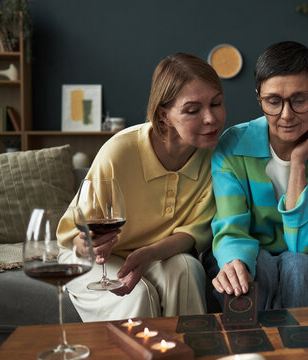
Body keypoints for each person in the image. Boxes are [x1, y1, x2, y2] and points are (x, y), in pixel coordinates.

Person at [57, 53, 226, 321]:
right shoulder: (120, 151)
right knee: (137, 295)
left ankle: (190, 349)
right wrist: (88, 244)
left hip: (157, 255)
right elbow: (75, 236)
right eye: (193, 110)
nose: (210, 118)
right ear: (164, 114)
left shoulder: (217, 157)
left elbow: (193, 233)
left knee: (187, 268)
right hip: (93, 261)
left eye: (216, 103)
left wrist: (146, 255)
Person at [204, 41, 308, 310]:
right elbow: (231, 227)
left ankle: (305, 348)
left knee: (297, 265)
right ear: (259, 96)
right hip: (250, 246)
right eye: (273, 101)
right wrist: (235, 260)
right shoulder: (233, 145)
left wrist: (298, 163)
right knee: (259, 268)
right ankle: (252, 351)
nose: (286, 115)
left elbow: (306, 243)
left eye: (299, 100)